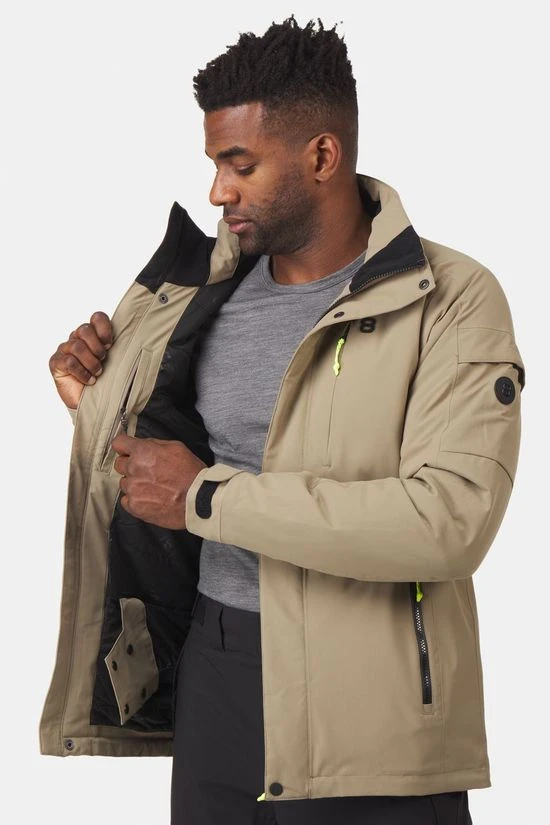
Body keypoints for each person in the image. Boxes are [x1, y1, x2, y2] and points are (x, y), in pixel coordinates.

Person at [40, 15, 525, 825]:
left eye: (241, 164)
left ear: (322, 157)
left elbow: (448, 520)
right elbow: (169, 476)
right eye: (214, 164)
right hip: (217, 671)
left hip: (371, 697)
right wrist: (93, 407)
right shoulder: (195, 292)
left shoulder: (450, 298)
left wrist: (209, 497)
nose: (217, 191)